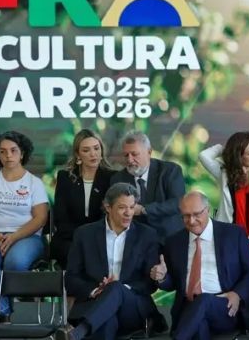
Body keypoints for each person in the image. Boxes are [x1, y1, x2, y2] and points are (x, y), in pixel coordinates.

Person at [150, 191, 249, 340]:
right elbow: (173, 284)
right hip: (188, 307)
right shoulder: (174, 242)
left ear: (208, 210)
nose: (191, 220)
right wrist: (162, 278)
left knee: (204, 300)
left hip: (225, 306)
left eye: (197, 214)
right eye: (186, 215)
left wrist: (237, 293)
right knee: (199, 326)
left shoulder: (233, 234)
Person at [56, 183, 159, 340]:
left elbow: (149, 284)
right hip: (95, 303)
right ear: (108, 207)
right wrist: (95, 291)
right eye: (122, 207)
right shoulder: (84, 234)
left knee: (115, 288)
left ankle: (77, 333)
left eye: (132, 207)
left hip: (132, 306)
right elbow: (70, 279)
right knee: (107, 321)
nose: (128, 213)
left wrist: (120, 288)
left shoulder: (147, 235)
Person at [0, 130, 49, 320]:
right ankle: (2, 311)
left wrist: (13, 237)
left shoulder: (35, 183)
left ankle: (1, 304)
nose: (8, 155)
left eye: (13, 150)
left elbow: (40, 218)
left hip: (27, 237)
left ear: (22, 153)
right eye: (3, 151)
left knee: (14, 262)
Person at [198, 131, 249, 270]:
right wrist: (228, 151)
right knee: (227, 267)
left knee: (248, 268)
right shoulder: (225, 174)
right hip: (228, 239)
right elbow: (203, 156)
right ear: (238, 156)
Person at [52, 129, 116, 269]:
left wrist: (90, 238)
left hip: (101, 238)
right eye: (86, 150)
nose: (93, 154)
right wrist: (81, 238)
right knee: (73, 254)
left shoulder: (112, 178)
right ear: (77, 155)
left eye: (96, 148)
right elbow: (61, 218)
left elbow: (110, 216)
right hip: (69, 238)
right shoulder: (65, 177)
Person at [109, 131, 185, 243]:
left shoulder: (170, 171)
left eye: (134, 154)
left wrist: (144, 210)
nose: (129, 160)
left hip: (169, 238)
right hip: (136, 242)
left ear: (149, 152)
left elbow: (178, 203)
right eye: (126, 155)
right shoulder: (118, 179)